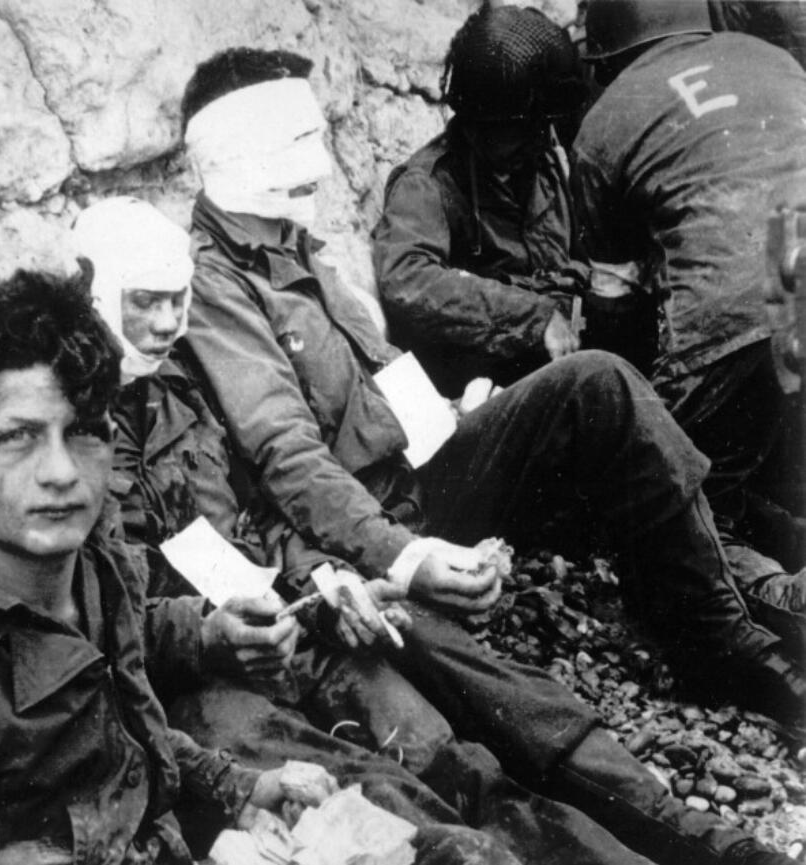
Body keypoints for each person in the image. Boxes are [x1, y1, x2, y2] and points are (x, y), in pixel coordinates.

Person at [180, 45, 802, 865]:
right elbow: (287, 453)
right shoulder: (214, 283)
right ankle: (703, 836)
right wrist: (405, 559)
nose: (316, 159)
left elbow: (377, 375)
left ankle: (725, 632)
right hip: (360, 534)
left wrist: (449, 413)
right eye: (293, 138)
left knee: (601, 391)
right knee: (496, 698)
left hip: (423, 471)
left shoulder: (291, 245)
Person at [0, 272, 354, 865]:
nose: (60, 472)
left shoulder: (89, 558)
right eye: (18, 438)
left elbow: (114, 733)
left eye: (84, 432)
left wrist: (240, 789)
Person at [573, 0, 806, 654]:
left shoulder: (604, 123)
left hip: (733, 314)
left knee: (677, 515)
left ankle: (780, 596)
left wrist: (635, 421)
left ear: (607, 49)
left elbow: (613, 306)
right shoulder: (773, 60)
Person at [372, 5, 614, 396]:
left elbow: (580, 255)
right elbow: (407, 282)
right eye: (523, 129)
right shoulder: (427, 185)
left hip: (563, 364)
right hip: (490, 389)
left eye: (543, 126)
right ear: (481, 125)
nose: (540, 138)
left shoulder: (545, 165)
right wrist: (533, 316)